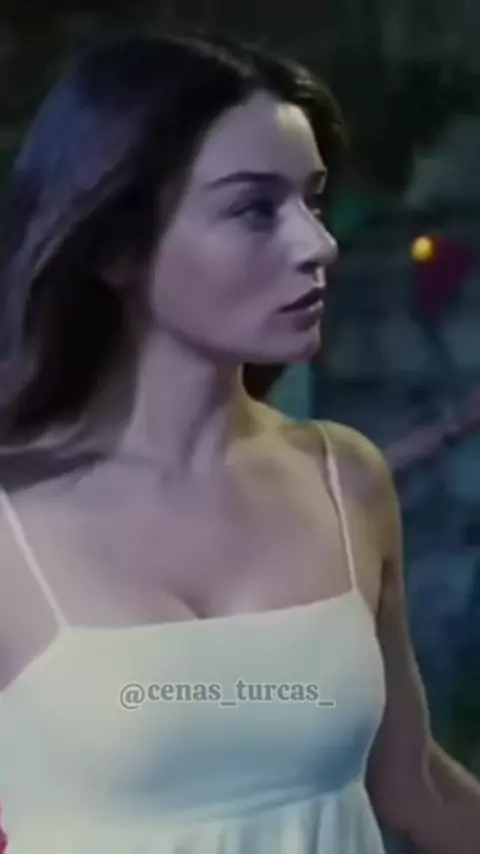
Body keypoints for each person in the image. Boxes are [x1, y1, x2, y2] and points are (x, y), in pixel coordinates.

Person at [0, 30, 479, 854]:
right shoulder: (13, 514)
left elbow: (414, 785)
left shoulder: (344, 477)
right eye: (256, 208)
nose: (318, 244)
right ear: (115, 245)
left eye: (313, 201)